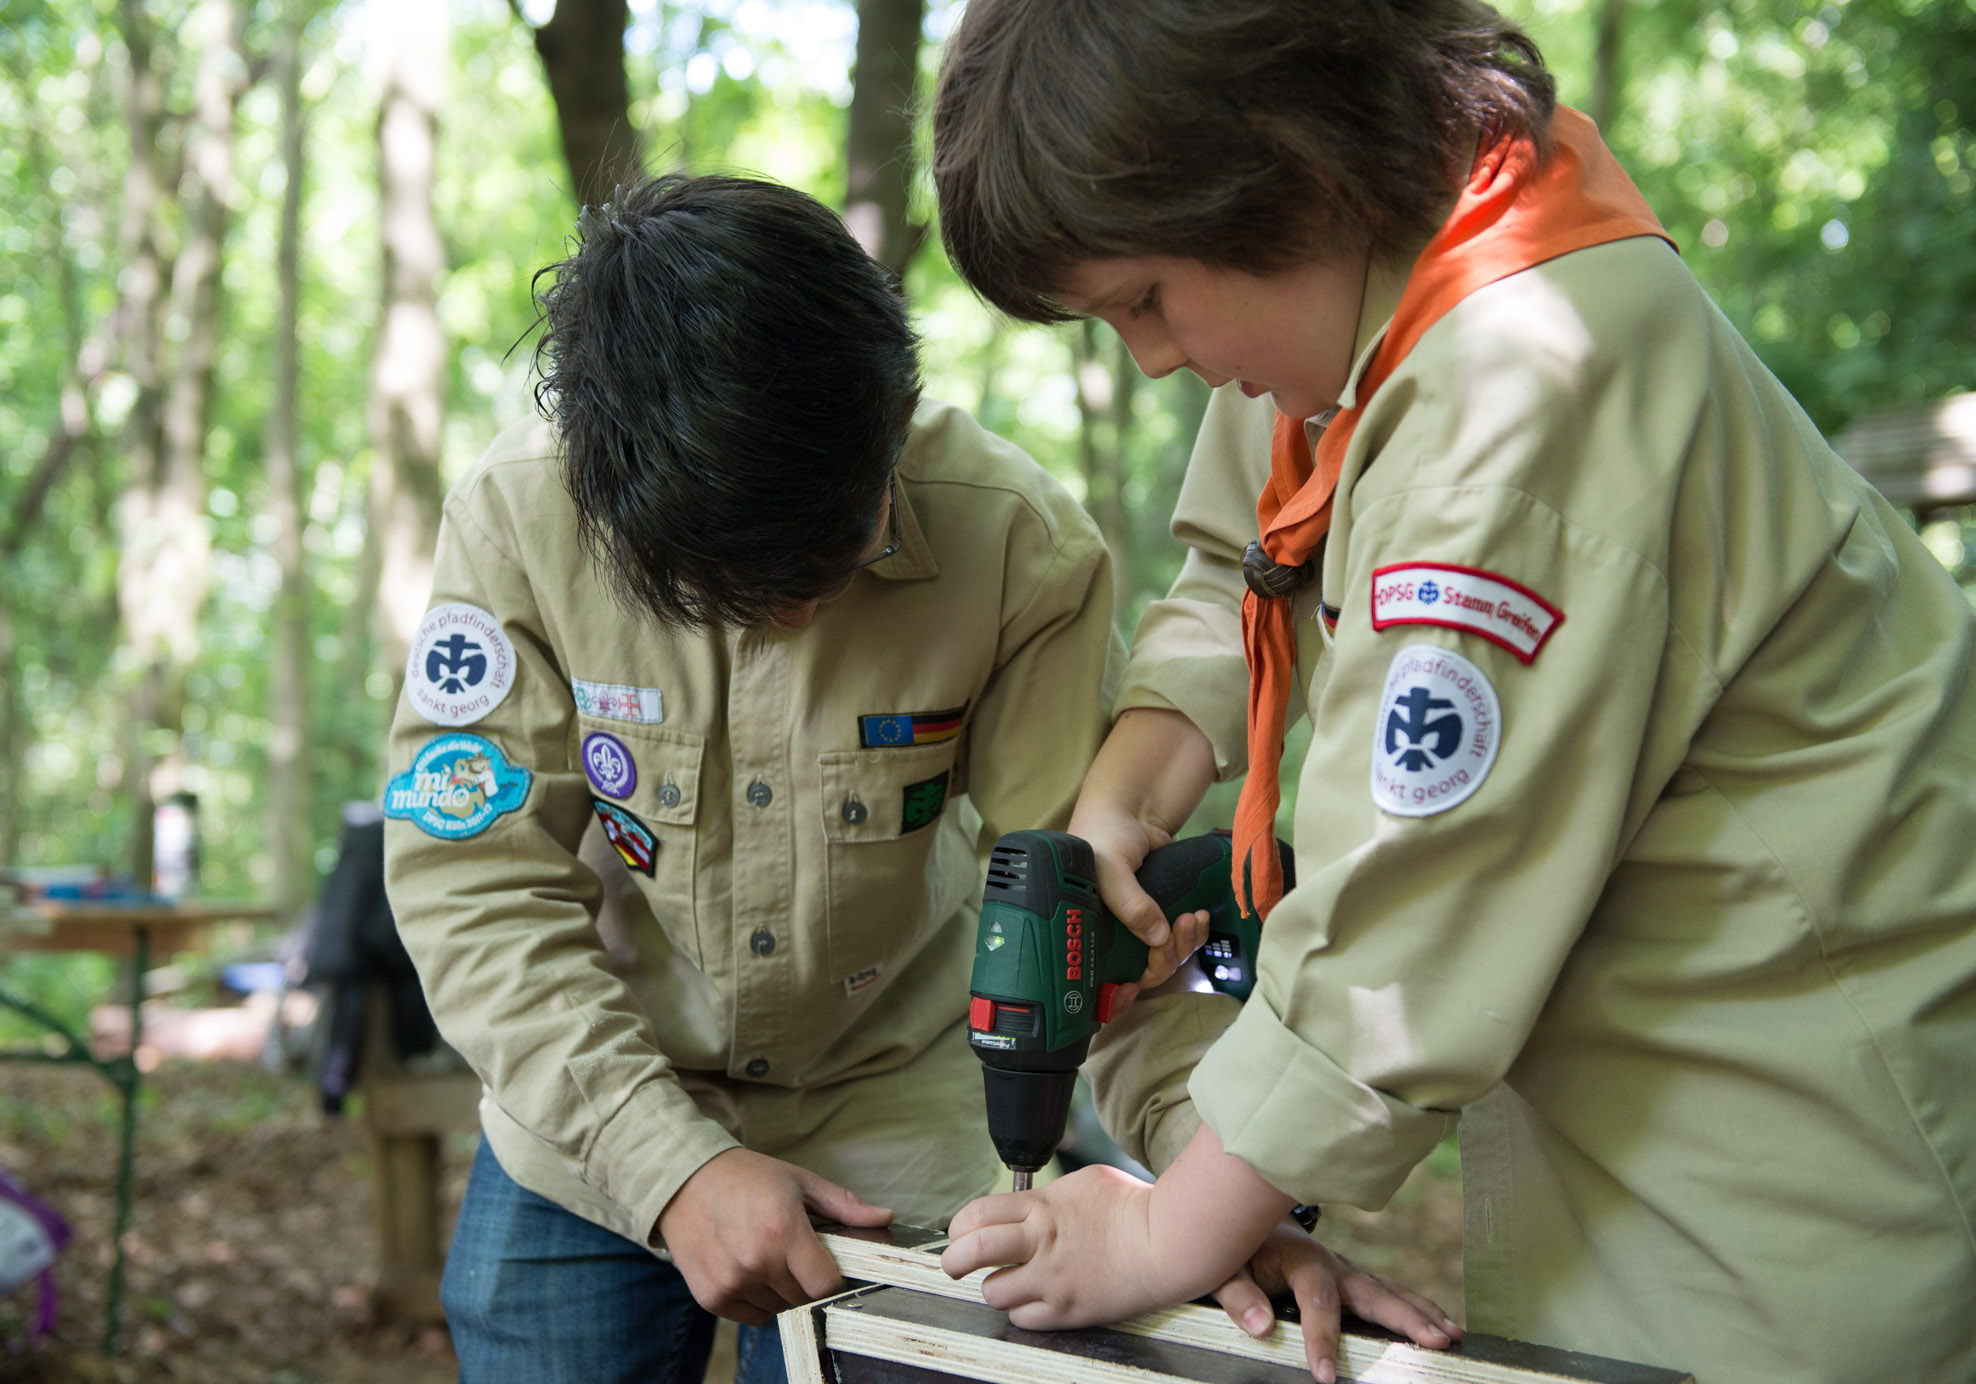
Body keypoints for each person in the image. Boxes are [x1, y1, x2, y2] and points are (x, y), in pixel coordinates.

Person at [927, 4, 1976, 1384]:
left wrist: (1156, 1238)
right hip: (1655, 1087)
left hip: (1791, 1147)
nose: (1153, 359)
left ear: (1280, 173)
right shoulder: (1392, 261)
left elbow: (1398, 938)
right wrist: (1122, 805)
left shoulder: (1511, 403)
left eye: (1141, 298)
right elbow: (1245, 563)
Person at [381, 173, 1450, 1384]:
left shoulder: (1014, 547)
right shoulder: (519, 519)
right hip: (585, 1108)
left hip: (892, 1125)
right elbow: (473, 891)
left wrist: (1216, 1190)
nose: (803, 608)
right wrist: (666, 1162)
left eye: (842, 549)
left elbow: (1093, 919)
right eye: (751, 587)